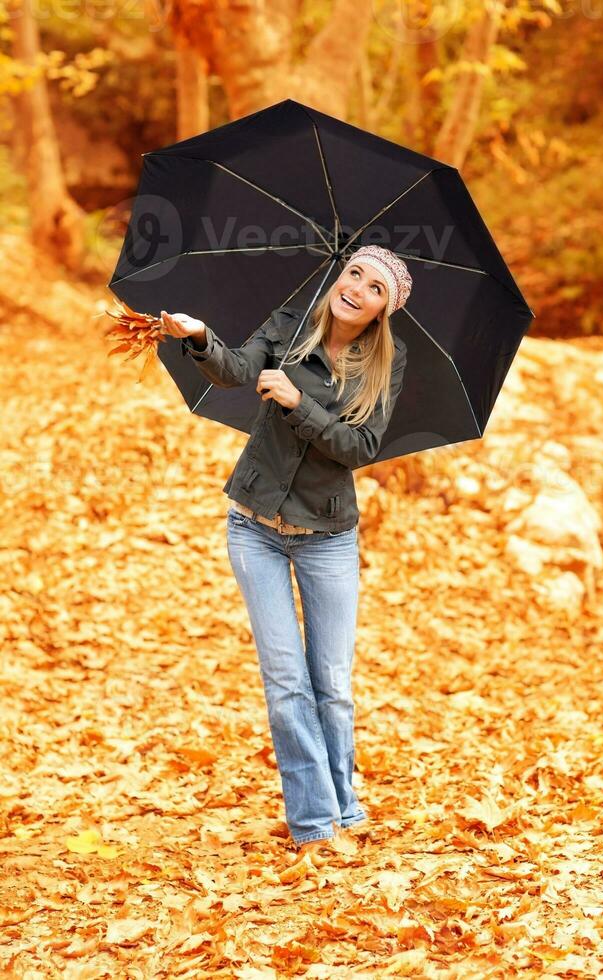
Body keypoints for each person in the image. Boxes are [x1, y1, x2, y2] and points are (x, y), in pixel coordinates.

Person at [160, 245, 412, 861]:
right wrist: (198, 337)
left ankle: (344, 801)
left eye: (374, 287)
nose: (357, 288)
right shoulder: (290, 324)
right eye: (354, 272)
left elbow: (359, 448)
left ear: (383, 310)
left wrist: (302, 406)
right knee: (286, 682)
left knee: (331, 683)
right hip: (253, 527)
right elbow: (234, 370)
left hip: (327, 536)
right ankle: (315, 823)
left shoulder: (386, 363)